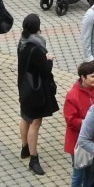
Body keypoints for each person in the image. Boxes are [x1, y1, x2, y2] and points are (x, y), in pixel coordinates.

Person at [17, 14, 57, 175]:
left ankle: (24, 147)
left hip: (24, 87)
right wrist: (49, 59)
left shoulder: (22, 42)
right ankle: (34, 159)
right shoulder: (36, 48)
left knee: (25, 117)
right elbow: (45, 70)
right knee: (35, 122)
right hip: (36, 91)